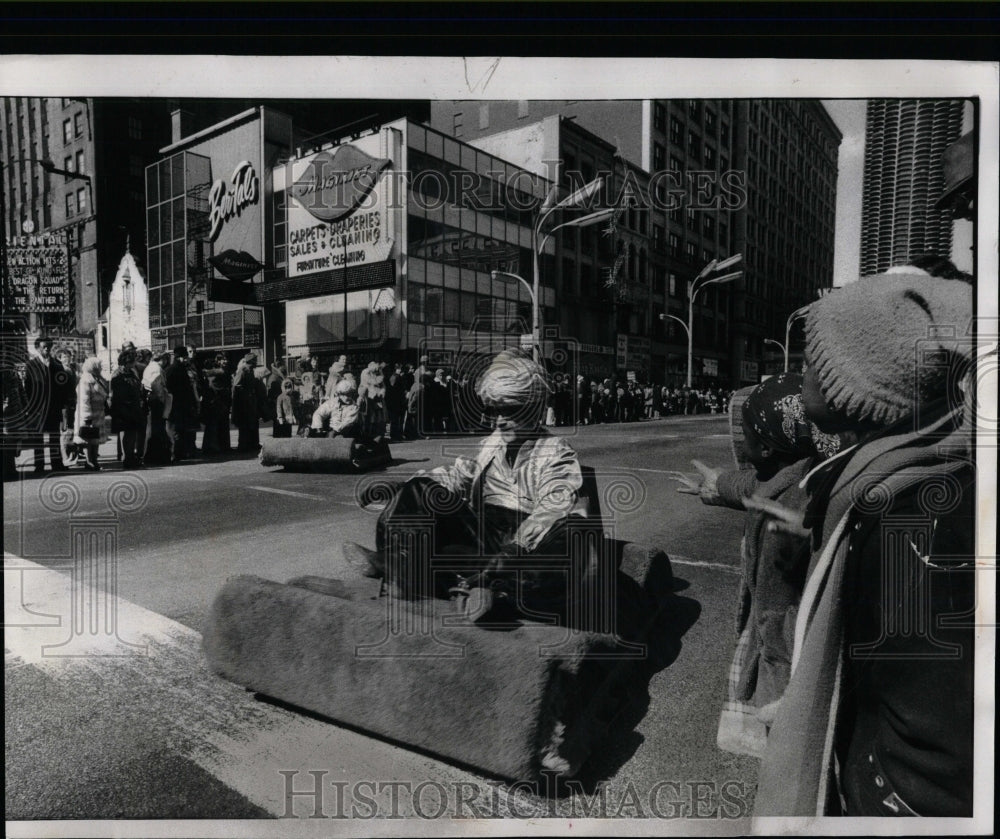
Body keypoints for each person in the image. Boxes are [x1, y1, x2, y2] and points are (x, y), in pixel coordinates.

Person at [753, 273, 975, 818]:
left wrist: (872, 791)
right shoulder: (885, 480)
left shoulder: (916, 517)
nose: (798, 373)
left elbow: (934, 750)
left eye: (812, 361)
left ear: (857, 386)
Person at [343, 350, 594, 625]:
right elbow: (460, 476)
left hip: (526, 545)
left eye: (508, 410)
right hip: (484, 535)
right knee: (420, 491)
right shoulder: (491, 444)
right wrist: (402, 486)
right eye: (493, 410)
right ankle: (397, 565)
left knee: (573, 533)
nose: (499, 420)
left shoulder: (555, 451)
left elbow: (552, 508)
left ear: (532, 408)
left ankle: (495, 594)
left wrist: (514, 549)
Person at [680, 373, 841, 759]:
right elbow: (755, 487)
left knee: (782, 742)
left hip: (782, 648)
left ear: (767, 448)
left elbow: (777, 599)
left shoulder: (790, 506)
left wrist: (772, 661)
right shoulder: (804, 473)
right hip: (781, 636)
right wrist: (720, 486)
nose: (740, 440)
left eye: (747, 432)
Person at [24, 336, 74, 473]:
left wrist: (63, 405)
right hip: (37, 408)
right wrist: (30, 406)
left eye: (48, 347)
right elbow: (28, 388)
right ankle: (39, 465)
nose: (46, 349)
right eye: (44, 347)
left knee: (54, 436)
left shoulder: (57, 365)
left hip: (53, 407)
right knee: (38, 438)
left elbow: (62, 387)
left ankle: (57, 464)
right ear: (38, 348)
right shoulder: (31, 365)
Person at [109, 348, 146, 469]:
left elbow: (137, 386)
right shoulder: (117, 374)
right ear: (126, 362)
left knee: (133, 433)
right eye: (132, 361)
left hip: (134, 407)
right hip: (123, 407)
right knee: (126, 434)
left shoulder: (132, 372)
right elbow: (114, 393)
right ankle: (127, 458)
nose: (135, 363)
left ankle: (131, 457)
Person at [164, 345, 200, 463]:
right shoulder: (173, 370)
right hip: (176, 405)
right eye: (184, 357)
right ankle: (175, 454)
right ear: (178, 357)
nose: (186, 359)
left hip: (182, 404)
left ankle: (180, 452)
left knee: (181, 429)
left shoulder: (180, 368)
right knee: (176, 430)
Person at [73, 356, 109, 471]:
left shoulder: (97, 378)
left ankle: (94, 460)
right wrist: (87, 417)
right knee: (89, 439)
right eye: (98, 366)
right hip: (90, 414)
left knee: (95, 439)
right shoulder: (85, 381)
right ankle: (89, 461)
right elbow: (84, 400)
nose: (100, 368)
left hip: (98, 413)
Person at [142, 351, 172, 465]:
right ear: (163, 359)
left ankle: (153, 455)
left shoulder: (149, 368)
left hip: (151, 401)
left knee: (153, 430)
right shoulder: (157, 370)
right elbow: (157, 387)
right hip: (156, 402)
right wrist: (163, 400)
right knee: (157, 429)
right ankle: (156, 456)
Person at [231, 352, 262, 453]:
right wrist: (245, 395)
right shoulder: (243, 370)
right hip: (244, 403)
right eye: (255, 360)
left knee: (253, 422)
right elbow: (237, 385)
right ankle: (243, 445)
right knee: (244, 424)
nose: (256, 362)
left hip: (251, 401)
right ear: (251, 361)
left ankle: (253, 443)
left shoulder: (252, 371)